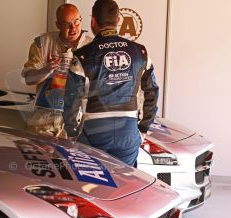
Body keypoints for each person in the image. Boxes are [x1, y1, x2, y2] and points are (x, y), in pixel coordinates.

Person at [63, 0, 159, 167]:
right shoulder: (140, 52)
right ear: (118, 21)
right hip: (127, 129)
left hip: (94, 130)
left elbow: (71, 99)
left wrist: (71, 131)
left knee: (93, 185)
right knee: (126, 184)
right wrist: (144, 127)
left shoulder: (82, 55)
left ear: (93, 21)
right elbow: (152, 92)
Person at [21, 3, 92, 138]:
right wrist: (46, 70)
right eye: (66, 24)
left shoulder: (92, 46)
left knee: (70, 158)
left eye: (76, 22)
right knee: (37, 157)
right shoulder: (43, 42)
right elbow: (28, 79)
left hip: (75, 120)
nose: (73, 28)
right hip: (43, 118)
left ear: (81, 20)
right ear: (58, 24)